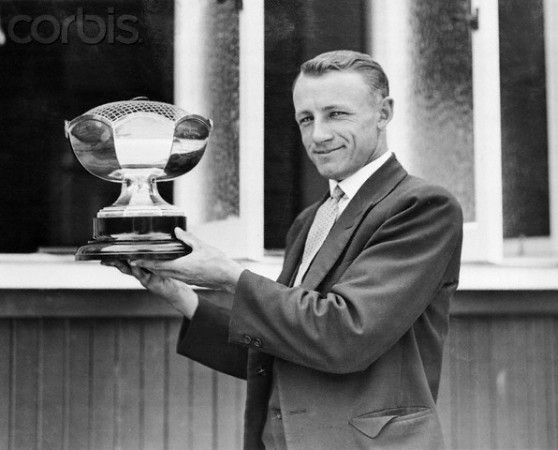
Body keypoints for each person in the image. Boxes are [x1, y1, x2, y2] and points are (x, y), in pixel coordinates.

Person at [104, 50, 463, 450]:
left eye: (336, 114)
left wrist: (227, 274)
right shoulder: (310, 220)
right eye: (305, 119)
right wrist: (177, 292)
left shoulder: (422, 206)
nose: (318, 135)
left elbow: (345, 336)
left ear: (384, 112)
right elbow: (277, 349)